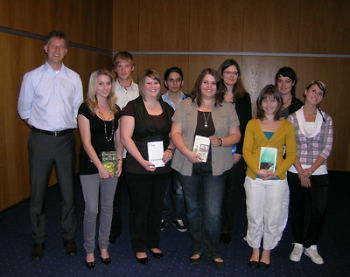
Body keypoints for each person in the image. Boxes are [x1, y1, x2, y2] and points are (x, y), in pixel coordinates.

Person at [17, 30, 83, 260]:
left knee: (68, 193)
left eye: (61, 46)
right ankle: (38, 240)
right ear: (45, 48)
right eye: (53, 45)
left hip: (66, 140)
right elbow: (24, 111)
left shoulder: (74, 78)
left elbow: (77, 110)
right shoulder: (32, 77)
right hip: (40, 141)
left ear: (66, 50)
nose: (57, 50)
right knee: (37, 194)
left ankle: (69, 237)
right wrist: (43, 129)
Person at [171, 68, 241, 268]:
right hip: (188, 165)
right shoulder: (185, 105)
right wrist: (186, 152)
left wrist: (221, 141)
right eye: (205, 82)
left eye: (213, 83)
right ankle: (197, 248)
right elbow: (175, 133)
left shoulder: (226, 107)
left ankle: (213, 250)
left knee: (212, 212)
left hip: (216, 168)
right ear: (199, 84)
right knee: (192, 209)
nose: (209, 86)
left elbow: (236, 135)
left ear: (218, 87)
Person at [120, 69, 175, 264]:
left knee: (156, 207)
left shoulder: (168, 109)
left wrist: (170, 148)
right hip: (137, 167)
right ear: (142, 86)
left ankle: (153, 242)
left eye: (156, 83)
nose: (153, 87)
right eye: (149, 83)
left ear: (161, 86)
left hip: (162, 167)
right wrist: (142, 161)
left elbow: (174, 135)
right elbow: (125, 138)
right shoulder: (132, 107)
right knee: (140, 208)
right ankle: (139, 246)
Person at [243, 85, 296, 270]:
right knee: (254, 215)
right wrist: (257, 170)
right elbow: (246, 151)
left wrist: (278, 172)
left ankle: (267, 250)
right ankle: (255, 249)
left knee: (273, 216)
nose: (269, 104)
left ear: (279, 102)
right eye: (265, 100)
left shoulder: (287, 126)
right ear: (260, 103)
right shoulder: (252, 123)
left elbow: (291, 154)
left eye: (273, 100)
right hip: (254, 177)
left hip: (276, 179)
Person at [78, 69, 123, 269]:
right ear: (94, 86)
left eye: (108, 83)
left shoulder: (116, 108)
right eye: (101, 84)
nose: (105, 87)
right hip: (90, 165)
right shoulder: (85, 108)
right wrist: (100, 167)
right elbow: (86, 143)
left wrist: (119, 161)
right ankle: (89, 249)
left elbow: (119, 139)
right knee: (92, 209)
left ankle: (103, 246)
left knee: (107, 207)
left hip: (111, 161)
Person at [287, 81, 333, 265]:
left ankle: (311, 245)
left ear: (322, 98)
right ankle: (298, 243)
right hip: (295, 170)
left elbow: (326, 148)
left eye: (320, 93)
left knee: (319, 211)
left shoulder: (327, 119)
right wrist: (301, 171)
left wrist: (310, 172)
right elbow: (290, 148)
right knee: (297, 209)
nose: (316, 94)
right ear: (305, 92)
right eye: (313, 90)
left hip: (318, 171)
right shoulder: (291, 119)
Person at [218, 59, 252, 244]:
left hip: (236, 153)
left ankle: (226, 227)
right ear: (221, 74)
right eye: (228, 72)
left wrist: (239, 152)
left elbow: (247, 127)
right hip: (216, 151)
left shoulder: (243, 98)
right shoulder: (213, 95)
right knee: (215, 190)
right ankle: (213, 223)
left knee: (232, 191)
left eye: (235, 73)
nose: (231, 76)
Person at [109, 51, 139, 246]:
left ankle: (138, 232)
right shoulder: (107, 89)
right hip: (111, 151)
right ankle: (112, 231)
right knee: (112, 194)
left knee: (137, 195)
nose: (122, 69)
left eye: (126, 66)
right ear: (115, 69)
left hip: (136, 152)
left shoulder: (143, 89)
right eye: (119, 66)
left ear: (132, 67)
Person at [274, 67, 304, 241]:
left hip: (292, 157)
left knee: (287, 198)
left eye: (287, 81)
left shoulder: (299, 106)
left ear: (293, 84)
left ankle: (280, 233)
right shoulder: (270, 103)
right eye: (280, 80)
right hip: (271, 156)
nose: (283, 84)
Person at [161, 67, 188, 232]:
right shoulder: (158, 100)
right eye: (171, 80)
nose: (174, 83)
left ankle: (178, 216)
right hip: (163, 148)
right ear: (165, 83)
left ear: (182, 82)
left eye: (178, 80)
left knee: (179, 187)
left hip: (183, 150)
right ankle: (163, 215)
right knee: (163, 186)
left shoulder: (190, 102)